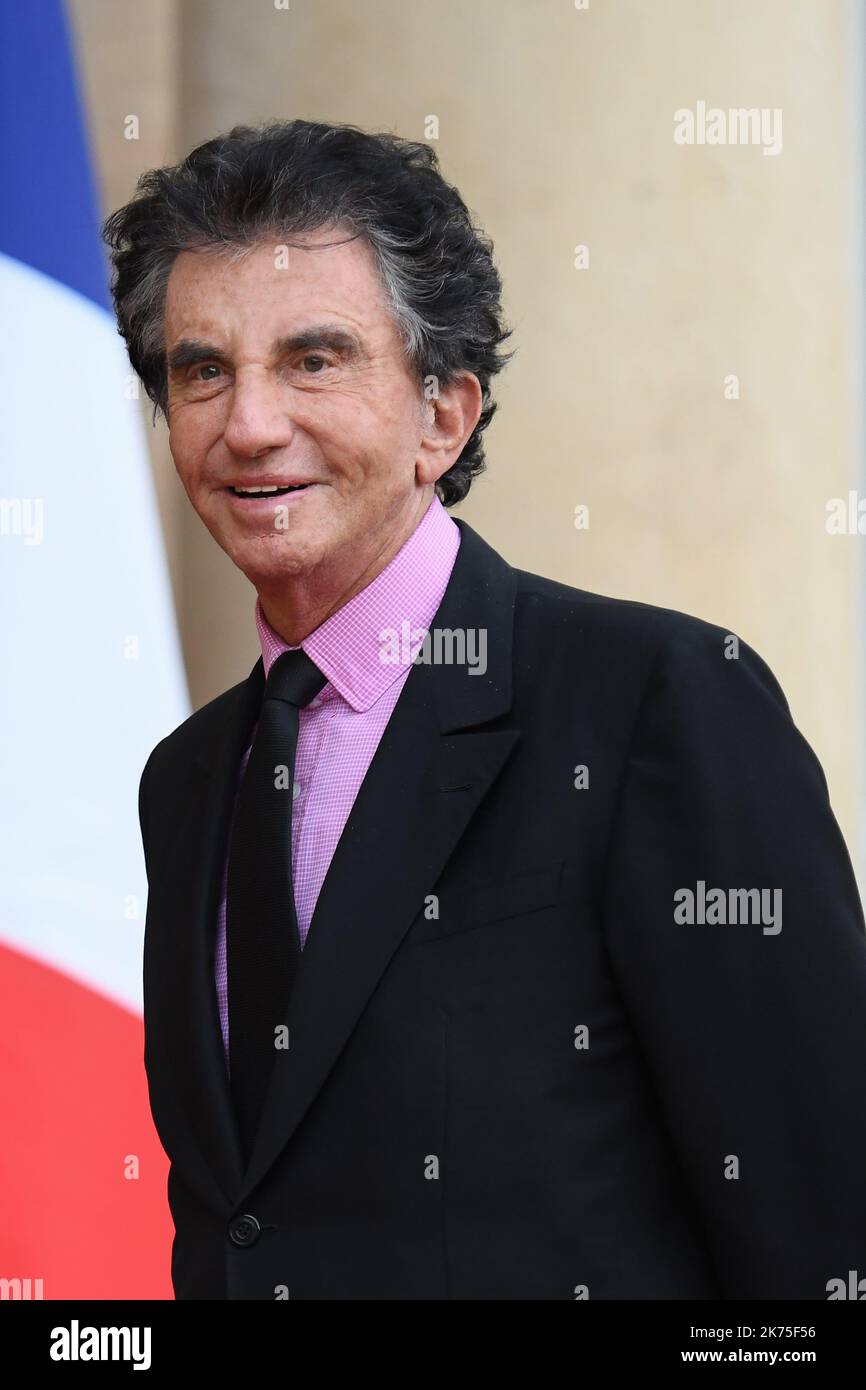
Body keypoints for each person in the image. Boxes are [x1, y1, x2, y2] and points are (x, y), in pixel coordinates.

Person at [104, 118, 866, 1300]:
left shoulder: (652, 703)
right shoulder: (188, 777)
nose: (247, 423)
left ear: (443, 416)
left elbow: (820, 1228)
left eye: (313, 359)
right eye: (203, 369)